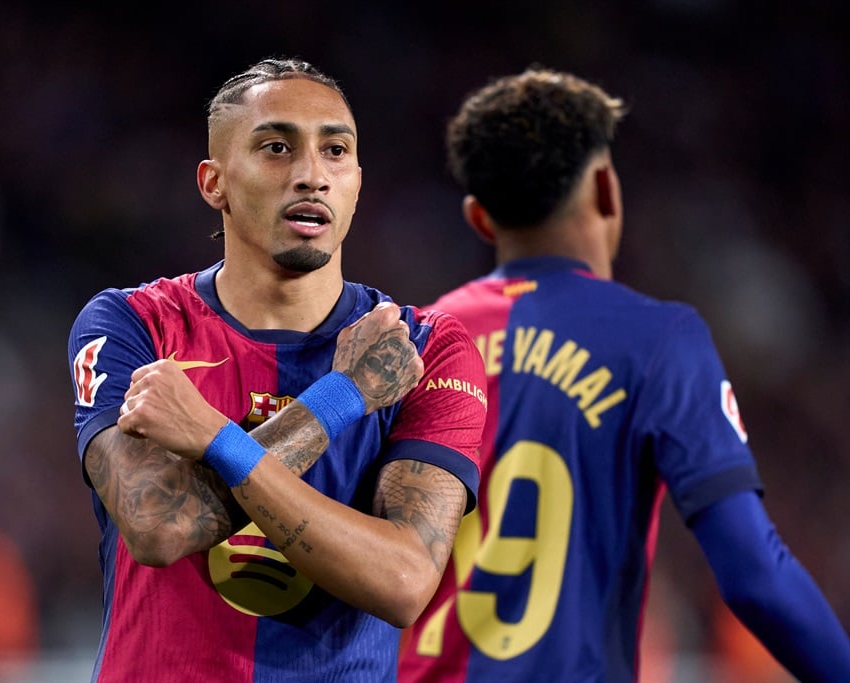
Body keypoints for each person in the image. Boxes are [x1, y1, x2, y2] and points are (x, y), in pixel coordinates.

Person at [397, 67, 850, 682]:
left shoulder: (409, 343)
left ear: (479, 218)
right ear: (607, 189)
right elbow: (754, 578)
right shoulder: (657, 340)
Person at [67, 57, 488, 682]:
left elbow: (403, 582)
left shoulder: (425, 348)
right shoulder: (132, 325)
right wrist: (346, 395)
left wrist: (214, 438)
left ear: (357, 181)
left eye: (335, 151)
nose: (311, 175)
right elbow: (158, 525)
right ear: (215, 183)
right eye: (275, 147)